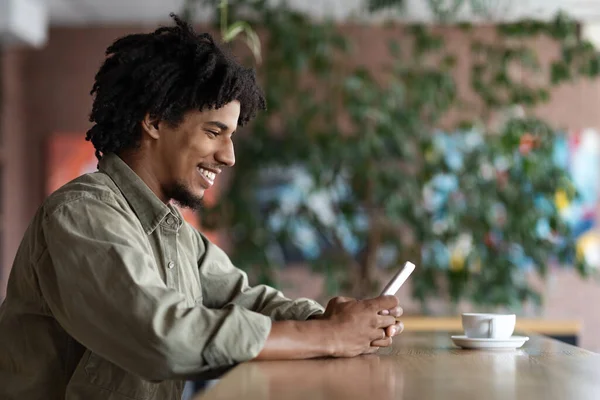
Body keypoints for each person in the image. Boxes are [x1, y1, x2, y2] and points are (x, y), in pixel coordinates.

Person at [0, 14, 403, 400]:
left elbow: (248, 301)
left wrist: (334, 321)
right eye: (214, 132)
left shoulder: (174, 232)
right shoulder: (81, 215)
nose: (228, 156)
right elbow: (162, 338)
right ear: (154, 121)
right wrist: (328, 336)